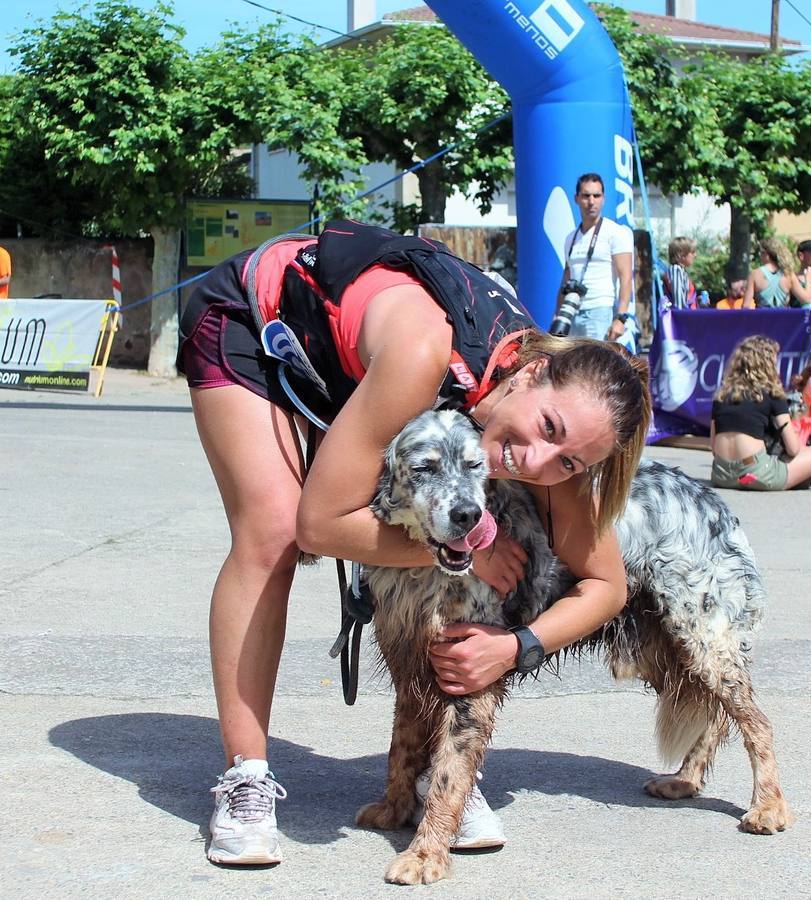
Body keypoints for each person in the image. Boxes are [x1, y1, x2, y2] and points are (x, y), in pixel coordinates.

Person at [177, 220, 652, 865]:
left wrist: (516, 647)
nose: (538, 460)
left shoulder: (552, 441)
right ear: (534, 372)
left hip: (359, 359)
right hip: (258, 322)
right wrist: (469, 547)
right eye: (548, 428)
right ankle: (245, 779)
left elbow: (607, 586)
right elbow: (321, 525)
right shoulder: (422, 356)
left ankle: (439, 767)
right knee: (274, 534)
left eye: (567, 463)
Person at [710, 337, 811, 491]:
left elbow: (713, 447)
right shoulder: (773, 394)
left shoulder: (721, 395)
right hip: (756, 473)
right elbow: (793, 449)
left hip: (721, 474)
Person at [556, 173, 635, 341]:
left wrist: (621, 317)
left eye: (596, 196)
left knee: (597, 366)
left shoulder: (616, 233)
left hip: (600, 311)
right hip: (571, 312)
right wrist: (558, 315)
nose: (591, 202)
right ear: (576, 198)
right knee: (572, 366)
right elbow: (567, 277)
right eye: (586, 196)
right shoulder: (570, 237)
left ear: (603, 199)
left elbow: (626, 277)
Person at [744, 237, 809, 308]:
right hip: (783, 318)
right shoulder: (788, 274)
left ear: (766, 253)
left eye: (761, 253)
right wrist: (808, 279)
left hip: (762, 318)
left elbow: (745, 307)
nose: (760, 256)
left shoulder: (755, 274)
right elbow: (806, 299)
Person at [665, 236, 697, 309]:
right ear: (681, 255)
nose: (695, 255)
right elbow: (678, 301)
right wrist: (682, 316)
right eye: (692, 252)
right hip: (683, 317)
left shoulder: (682, 272)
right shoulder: (676, 271)